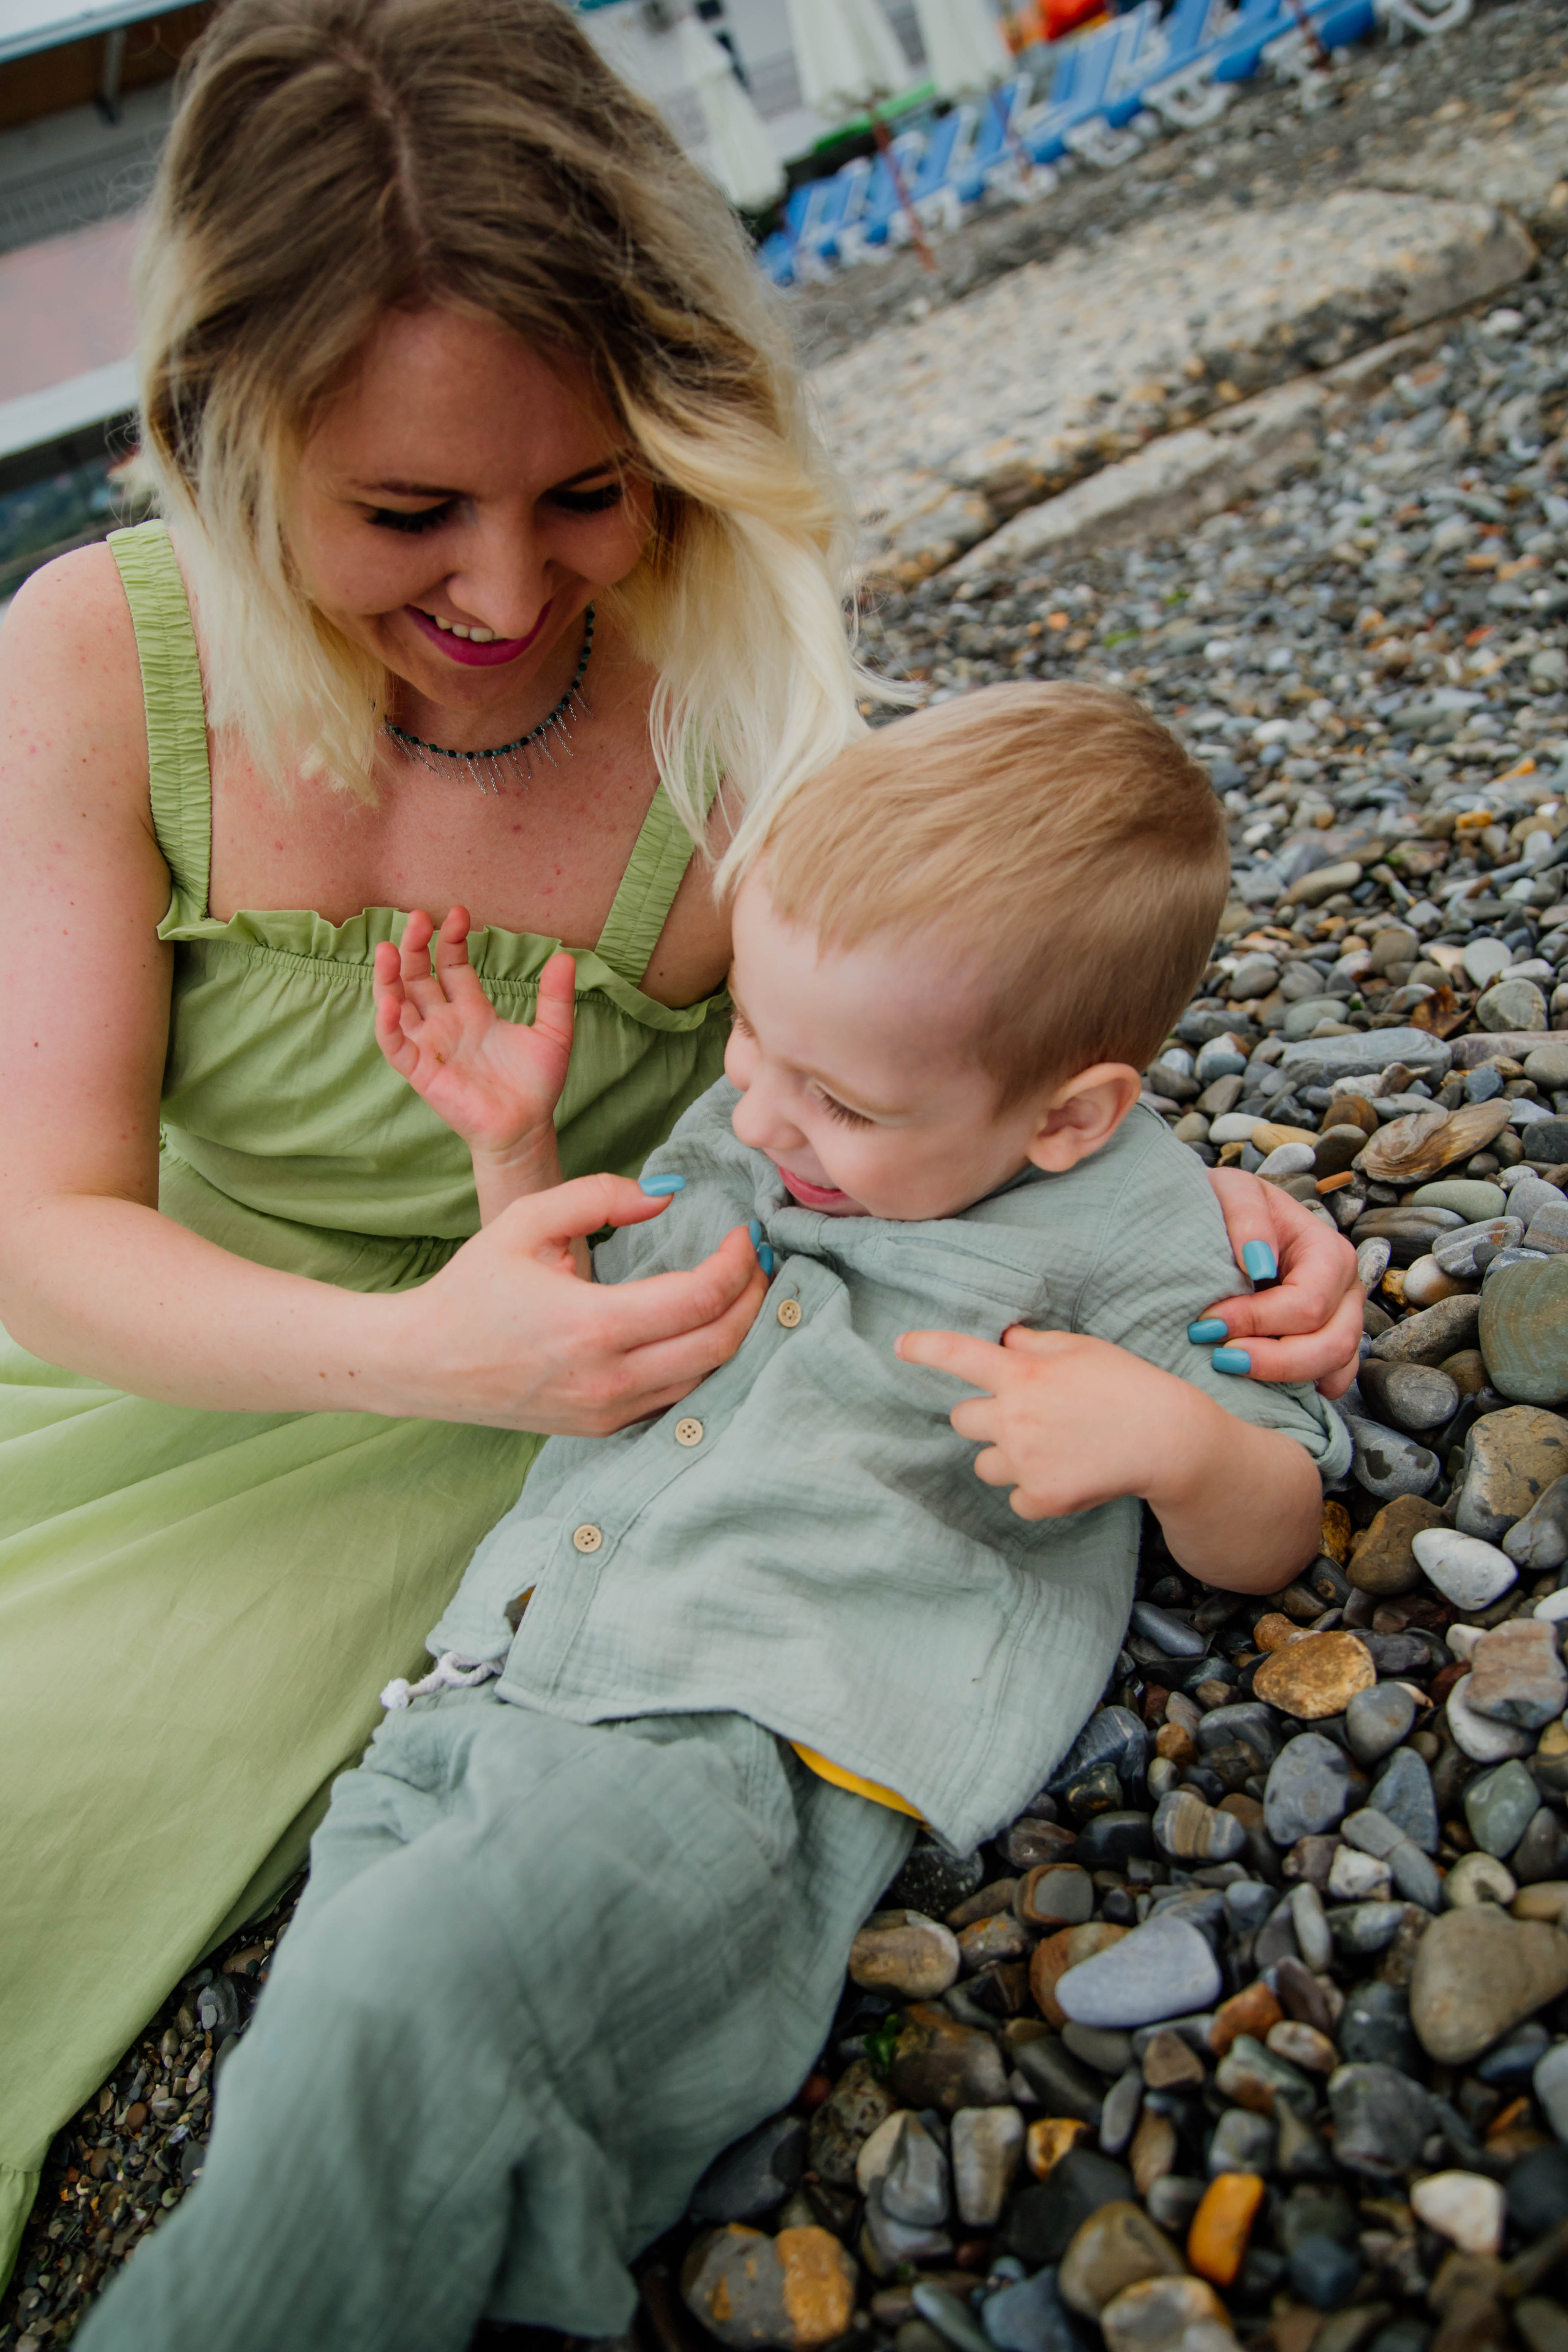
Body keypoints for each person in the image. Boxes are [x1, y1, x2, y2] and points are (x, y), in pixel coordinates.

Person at [0, 0, 1359, 2285]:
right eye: (406, 512)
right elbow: (40, 1228)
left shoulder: (740, 671)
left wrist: (1184, 1206)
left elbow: (918, 1042)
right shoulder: (82, 659)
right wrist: (435, 1345)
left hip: (573, 1404)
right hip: (178, 1354)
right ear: (217, 430)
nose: (514, 595)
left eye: (590, 489)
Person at [78, 684, 1351, 2351]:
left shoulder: (1142, 1238)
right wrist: (512, 1148)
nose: (758, 1114)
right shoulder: (776, 1125)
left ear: (1065, 1115)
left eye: (835, 1101)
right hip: (491, 1683)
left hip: (739, 1735)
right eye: (749, 1038)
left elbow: (1276, 1535)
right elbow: (600, 1330)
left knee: (407, 2014)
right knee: (346, 2059)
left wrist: (1178, 1444)